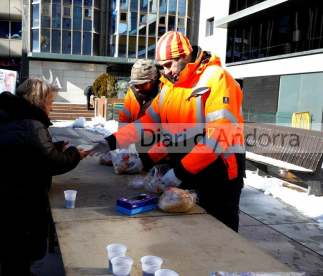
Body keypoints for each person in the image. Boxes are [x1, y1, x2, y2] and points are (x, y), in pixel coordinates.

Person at [90, 31, 245, 232]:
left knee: (220, 231)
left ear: (185, 57)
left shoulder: (217, 79)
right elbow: (147, 123)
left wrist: (180, 171)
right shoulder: (171, 88)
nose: (165, 71)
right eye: (162, 65)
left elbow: (219, 136)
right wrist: (111, 142)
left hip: (220, 175)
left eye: (168, 64)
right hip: (190, 170)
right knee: (189, 230)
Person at [0, 78, 88, 276]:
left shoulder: (6, 121)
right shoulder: (32, 126)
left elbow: (23, 154)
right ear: (39, 102)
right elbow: (54, 163)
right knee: (16, 252)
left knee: (9, 254)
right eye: (50, 103)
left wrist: (55, 148)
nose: (51, 108)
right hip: (17, 206)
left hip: (0, 198)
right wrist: (75, 153)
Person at [119, 59, 168, 173]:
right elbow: (124, 120)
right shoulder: (132, 92)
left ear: (153, 80)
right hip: (139, 151)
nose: (137, 88)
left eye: (142, 84)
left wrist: (146, 160)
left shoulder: (166, 92)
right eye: (135, 84)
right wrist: (123, 147)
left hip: (161, 155)